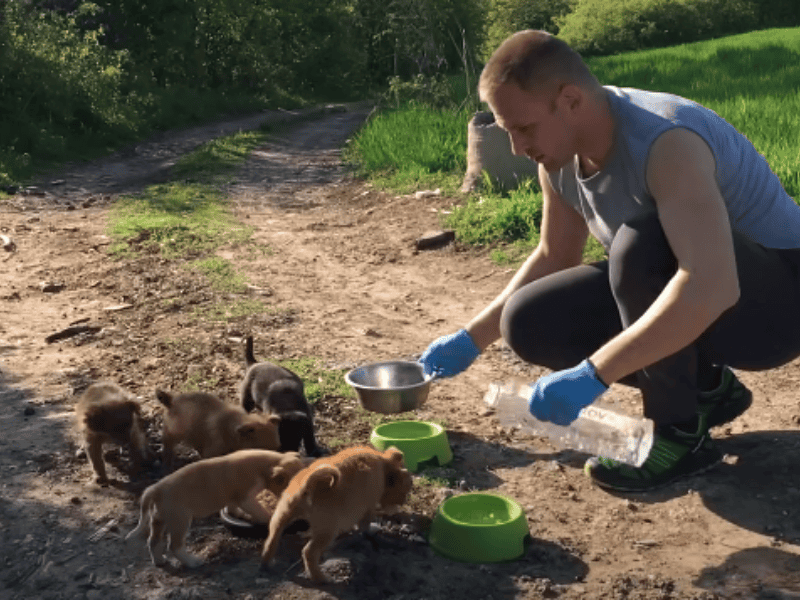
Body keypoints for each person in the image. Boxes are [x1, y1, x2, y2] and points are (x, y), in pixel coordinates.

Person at [419, 30, 800, 492]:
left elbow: (711, 284)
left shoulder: (665, 141)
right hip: (712, 289)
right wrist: (469, 340)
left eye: (524, 128)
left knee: (641, 245)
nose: (517, 148)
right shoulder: (559, 159)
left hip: (778, 307)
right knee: (529, 319)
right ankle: (707, 389)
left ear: (571, 100)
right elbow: (554, 257)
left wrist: (594, 374)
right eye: (507, 132)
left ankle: (675, 434)